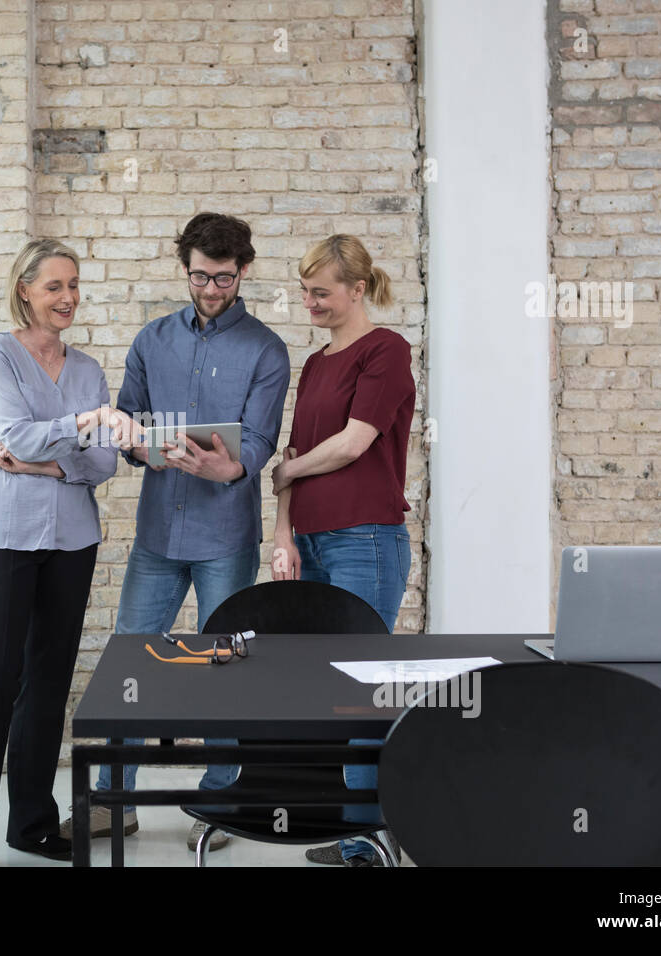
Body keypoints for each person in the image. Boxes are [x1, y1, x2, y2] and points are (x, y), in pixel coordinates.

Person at [58, 212, 291, 853]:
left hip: (226, 534)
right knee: (131, 662)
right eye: (199, 276)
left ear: (244, 271)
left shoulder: (267, 350)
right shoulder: (151, 340)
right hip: (159, 531)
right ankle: (116, 802)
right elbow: (127, 418)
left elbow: (262, 440)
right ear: (183, 268)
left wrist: (228, 466)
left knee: (224, 668)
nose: (211, 289)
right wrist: (136, 443)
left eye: (223, 277)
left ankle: (218, 799)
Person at [0, 239, 136, 867]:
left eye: (74, 285)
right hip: (3, 534)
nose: (68, 297)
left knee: (48, 684)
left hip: (72, 540)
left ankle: (31, 825)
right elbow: (15, 431)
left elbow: (105, 462)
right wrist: (80, 427)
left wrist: (42, 466)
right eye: (54, 286)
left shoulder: (86, 368)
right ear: (25, 289)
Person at [271, 234, 416, 866]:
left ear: (358, 289)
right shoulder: (314, 365)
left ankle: (368, 840)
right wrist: (282, 534)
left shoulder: (386, 350)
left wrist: (289, 474)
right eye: (305, 291)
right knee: (332, 689)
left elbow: (354, 444)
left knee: (365, 693)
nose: (310, 302)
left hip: (367, 539)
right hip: (313, 541)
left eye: (321, 292)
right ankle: (355, 827)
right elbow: (292, 458)